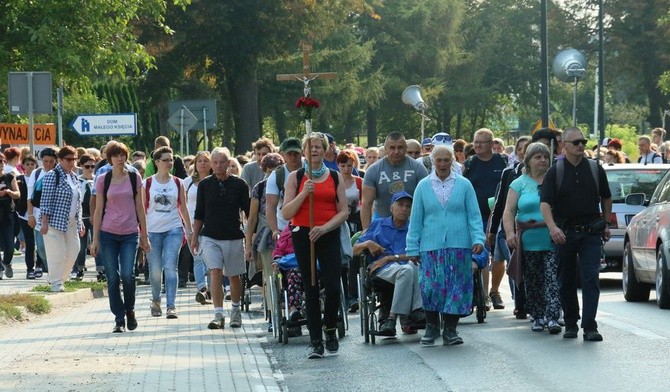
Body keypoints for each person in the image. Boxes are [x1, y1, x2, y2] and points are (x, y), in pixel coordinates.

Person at [406, 144, 485, 346]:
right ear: (432, 162)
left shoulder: (464, 184)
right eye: (438, 160)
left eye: (446, 160)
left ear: (453, 161)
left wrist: (478, 239)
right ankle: (432, 328)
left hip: (460, 244)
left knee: (457, 288)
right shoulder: (423, 186)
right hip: (430, 246)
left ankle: (450, 330)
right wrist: (412, 248)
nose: (442, 164)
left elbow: (474, 215)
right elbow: (415, 220)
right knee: (431, 286)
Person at [540, 127, 612, 342]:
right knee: (566, 279)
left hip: (591, 232)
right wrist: (553, 228)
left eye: (583, 142)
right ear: (564, 145)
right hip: (565, 233)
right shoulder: (556, 170)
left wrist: (606, 223)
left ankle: (590, 326)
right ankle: (571, 322)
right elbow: (545, 204)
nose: (581, 146)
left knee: (591, 279)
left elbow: (606, 198)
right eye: (576, 142)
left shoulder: (594, 168)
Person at [281, 132, 348, 359]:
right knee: (310, 286)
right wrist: (303, 194)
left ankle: (330, 327)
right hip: (304, 234)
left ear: (325, 149)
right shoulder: (296, 177)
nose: (315, 151)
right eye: (310, 147)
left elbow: (344, 212)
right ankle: (316, 341)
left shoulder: (335, 177)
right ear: (304, 152)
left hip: (327, 233)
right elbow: (287, 212)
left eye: (319, 147)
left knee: (331, 286)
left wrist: (325, 228)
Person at [91, 141, 149, 333]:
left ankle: (130, 309)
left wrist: (144, 235)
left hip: (129, 233)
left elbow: (140, 208)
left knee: (128, 274)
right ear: (109, 159)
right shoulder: (102, 179)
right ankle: (119, 318)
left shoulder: (134, 177)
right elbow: (98, 210)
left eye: (123, 155)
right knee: (113, 277)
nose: (120, 158)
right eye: (116, 155)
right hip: (108, 233)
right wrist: (95, 239)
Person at [503, 142, 561, 334]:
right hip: (528, 240)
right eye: (538, 157)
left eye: (545, 156)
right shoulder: (519, 183)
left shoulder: (555, 180)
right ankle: (537, 315)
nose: (543, 160)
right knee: (533, 280)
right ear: (528, 161)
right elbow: (509, 211)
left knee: (553, 278)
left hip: (553, 238)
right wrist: (510, 233)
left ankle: (553, 316)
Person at [191, 147, 250, 330]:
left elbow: (248, 212)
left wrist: (250, 238)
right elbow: (199, 213)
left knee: (233, 275)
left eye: (222, 162)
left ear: (228, 163)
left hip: (232, 236)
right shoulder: (205, 185)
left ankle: (235, 310)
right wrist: (194, 237)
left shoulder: (239, 185)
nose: (218, 166)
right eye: (214, 162)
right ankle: (218, 314)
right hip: (210, 237)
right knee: (215, 272)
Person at [353, 191, 424, 336]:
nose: (404, 209)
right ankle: (414, 311)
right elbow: (353, 249)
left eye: (408, 206)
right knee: (408, 269)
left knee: (411, 267)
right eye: (400, 205)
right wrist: (367, 243)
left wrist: (390, 258)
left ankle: (392, 318)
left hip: (405, 268)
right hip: (382, 271)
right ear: (391, 208)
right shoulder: (378, 224)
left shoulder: (413, 228)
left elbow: (419, 254)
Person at [144, 146, 193, 319]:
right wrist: (142, 233)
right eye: (165, 160)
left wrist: (189, 230)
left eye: (171, 160)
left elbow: (184, 208)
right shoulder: (148, 183)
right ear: (156, 162)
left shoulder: (178, 182)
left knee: (170, 267)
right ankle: (156, 300)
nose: (169, 163)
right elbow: (142, 209)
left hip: (174, 228)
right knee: (156, 269)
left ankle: (171, 306)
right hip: (153, 230)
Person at [463, 128, 508, 310]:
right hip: (476, 217)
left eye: (482, 142)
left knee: (498, 255)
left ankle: (495, 292)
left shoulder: (502, 161)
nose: (478, 146)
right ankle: (482, 295)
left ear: (491, 144)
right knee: (481, 255)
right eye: (476, 142)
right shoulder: (469, 164)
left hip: (499, 216)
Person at [488, 136, 532, 318]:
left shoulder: (542, 173)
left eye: (526, 148)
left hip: (533, 228)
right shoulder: (509, 173)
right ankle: (520, 303)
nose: (523, 152)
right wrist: (492, 230)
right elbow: (501, 205)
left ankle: (531, 302)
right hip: (510, 230)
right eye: (520, 149)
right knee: (516, 266)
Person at [245, 152, 284, 332]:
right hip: (267, 237)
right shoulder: (259, 188)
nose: (272, 175)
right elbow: (251, 219)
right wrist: (248, 246)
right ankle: (273, 312)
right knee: (270, 275)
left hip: (289, 233)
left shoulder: (290, 183)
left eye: (276, 170)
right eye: (268, 171)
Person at [361, 132, 428, 230]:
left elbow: (426, 202)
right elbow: (367, 204)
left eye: (400, 147)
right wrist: (366, 231)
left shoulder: (418, 168)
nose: (396, 151)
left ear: (405, 148)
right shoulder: (374, 170)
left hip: (411, 224)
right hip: (382, 222)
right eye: (392, 148)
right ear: (385, 149)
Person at [39, 146, 84, 292]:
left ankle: (59, 278)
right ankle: (56, 283)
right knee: (57, 253)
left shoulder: (74, 177)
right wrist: (44, 223)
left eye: (74, 159)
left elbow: (78, 202)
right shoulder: (52, 175)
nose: (72, 162)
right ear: (60, 160)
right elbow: (45, 201)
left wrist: (81, 223)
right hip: (54, 222)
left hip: (71, 223)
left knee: (73, 251)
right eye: (68, 159)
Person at [182, 151, 212, 304]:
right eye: (199, 161)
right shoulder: (187, 182)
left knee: (211, 258)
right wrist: (187, 226)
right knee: (198, 257)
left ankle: (213, 289)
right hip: (193, 224)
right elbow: (182, 204)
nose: (202, 164)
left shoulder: (215, 180)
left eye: (206, 161)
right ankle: (202, 289)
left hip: (212, 224)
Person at [27, 148, 58, 278]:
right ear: (41, 161)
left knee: (56, 245)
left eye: (51, 161)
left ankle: (55, 273)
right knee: (40, 247)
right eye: (45, 161)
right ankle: (50, 268)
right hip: (38, 214)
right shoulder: (36, 173)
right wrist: (30, 215)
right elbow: (30, 196)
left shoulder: (58, 174)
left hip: (55, 215)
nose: (48, 164)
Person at [266, 137, 304, 244]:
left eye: (296, 153)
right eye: (289, 154)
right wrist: (275, 230)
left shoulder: (310, 169)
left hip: (309, 226)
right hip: (285, 229)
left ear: (302, 152)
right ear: (282, 154)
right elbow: (270, 206)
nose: (293, 157)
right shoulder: (277, 176)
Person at [71, 154, 96, 280]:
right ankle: (79, 268)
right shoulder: (77, 180)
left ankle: (101, 270)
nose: (90, 169)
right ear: (81, 166)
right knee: (80, 244)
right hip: (82, 217)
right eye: (87, 166)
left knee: (97, 243)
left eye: (92, 166)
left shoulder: (97, 180)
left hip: (95, 217)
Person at [0, 153, 20, 280]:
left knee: (9, 245)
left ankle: (7, 262)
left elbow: (18, 194)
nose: (1, 163)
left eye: (3, 161)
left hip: (8, 213)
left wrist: (9, 192)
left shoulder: (9, 176)